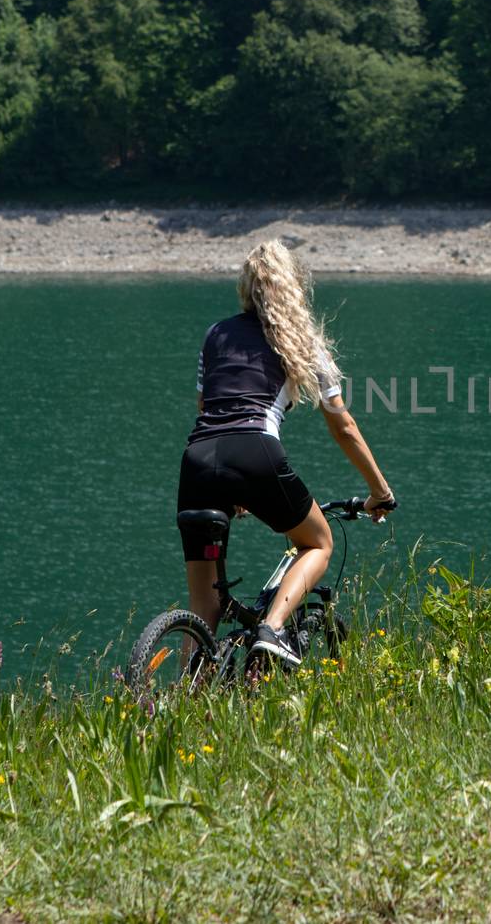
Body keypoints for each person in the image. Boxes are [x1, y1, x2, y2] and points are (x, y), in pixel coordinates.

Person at [176, 239, 395, 668]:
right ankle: (272, 630)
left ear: (245, 286)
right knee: (318, 543)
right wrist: (380, 491)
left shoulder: (215, 335)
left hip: (199, 461)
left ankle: (178, 702)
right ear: (293, 286)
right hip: (256, 452)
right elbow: (344, 426)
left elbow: (207, 410)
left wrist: (230, 487)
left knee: (204, 606)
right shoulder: (303, 342)